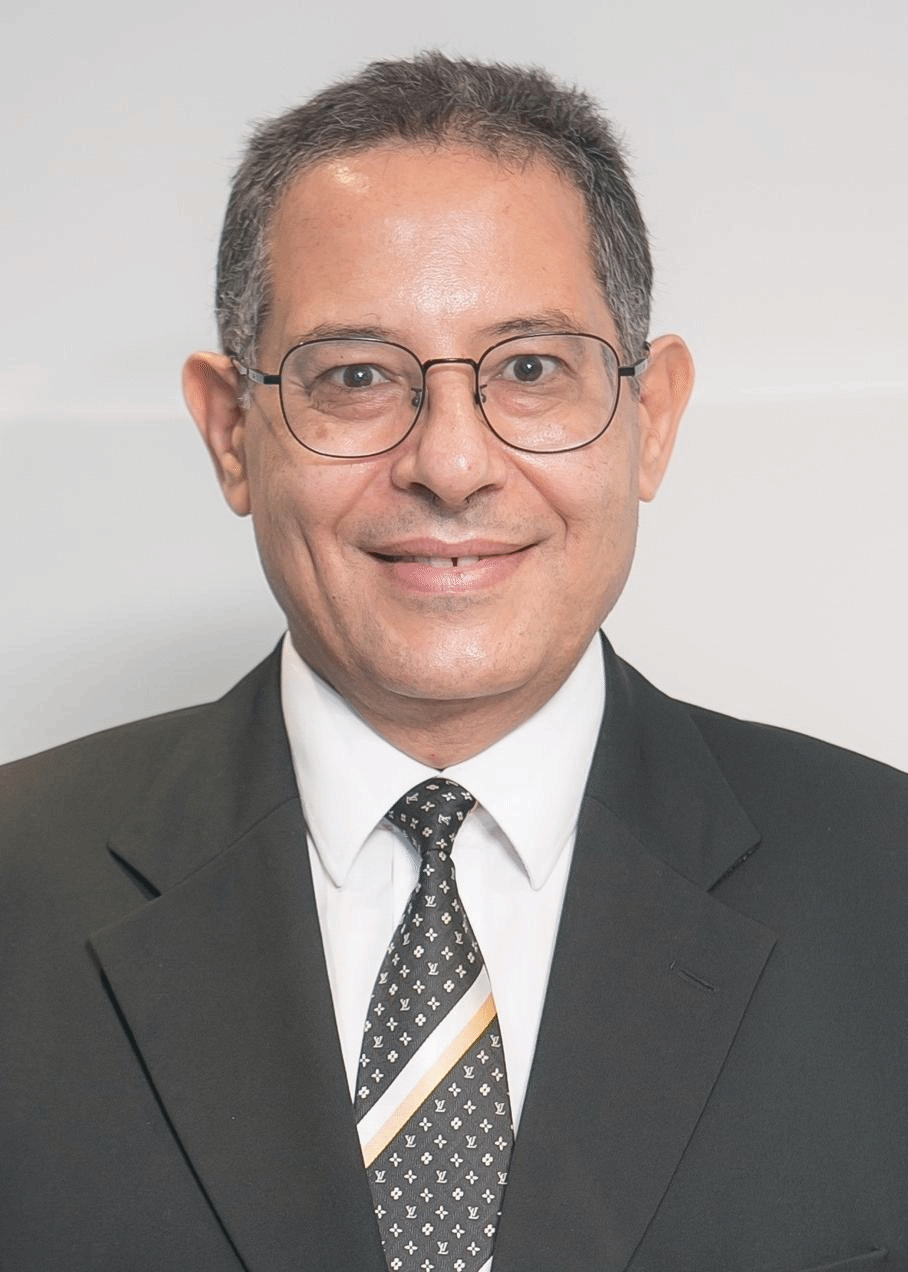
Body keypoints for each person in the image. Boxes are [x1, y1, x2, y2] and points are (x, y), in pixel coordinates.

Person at [2, 51, 905, 1272]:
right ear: (231, 432)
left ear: (648, 419)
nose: (450, 464)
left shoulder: (886, 887)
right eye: (355, 377)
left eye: (529, 369)